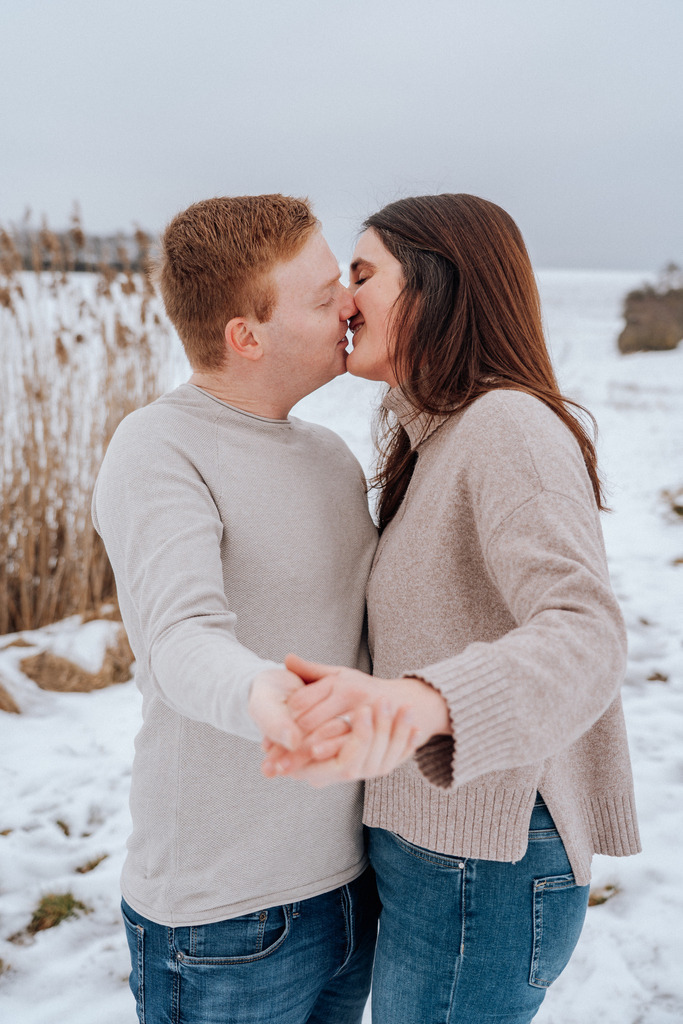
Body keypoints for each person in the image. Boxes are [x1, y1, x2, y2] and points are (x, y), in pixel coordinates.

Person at [263, 194, 642, 1024]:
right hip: (439, 845)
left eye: (361, 274)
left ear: (435, 287)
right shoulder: (429, 434)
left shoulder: (503, 425)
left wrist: (428, 700)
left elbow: (585, 631)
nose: (341, 298)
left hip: (486, 857)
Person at [92, 194, 387, 1024]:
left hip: (350, 886)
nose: (350, 305)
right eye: (324, 294)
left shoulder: (330, 456)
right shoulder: (159, 447)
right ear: (245, 336)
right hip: (225, 918)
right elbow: (180, 639)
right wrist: (268, 696)